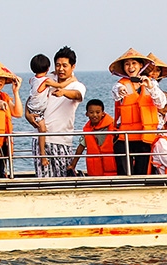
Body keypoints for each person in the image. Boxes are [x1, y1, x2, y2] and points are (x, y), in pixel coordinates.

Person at [23, 46, 86, 177]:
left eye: (64, 65)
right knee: (42, 179)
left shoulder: (77, 85)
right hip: (40, 138)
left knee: (63, 179)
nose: (60, 69)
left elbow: (77, 95)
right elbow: (32, 97)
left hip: (61, 140)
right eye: (58, 65)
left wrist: (64, 92)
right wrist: (27, 113)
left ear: (72, 66)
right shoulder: (47, 78)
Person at [110, 49, 167, 176]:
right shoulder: (119, 84)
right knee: (125, 173)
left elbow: (161, 103)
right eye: (127, 64)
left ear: (141, 65)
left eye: (134, 63)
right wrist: (120, 90)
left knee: (142, 172)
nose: (130, 67)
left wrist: (150, 87)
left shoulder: (151, 83)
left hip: (144, 136)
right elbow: (115, 93)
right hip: (125, 136)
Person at [68, 99, 118, 177]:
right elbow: (81, 147)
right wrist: (73, 165)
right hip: (95, 172)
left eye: (98, 112)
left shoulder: (113, 127)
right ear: (87, 114)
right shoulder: (87, 130)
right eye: (91, 112)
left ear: (103, 113)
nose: (95, 115)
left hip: (113, 171)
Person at [26, 53, 52, 172]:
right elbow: (59, 85)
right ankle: (42, 154)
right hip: (38, 111)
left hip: (31, 107)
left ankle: (42, 154)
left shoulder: (33, 80)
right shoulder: (46, 81)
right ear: (48, 68)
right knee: (42, 130)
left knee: (41, 130)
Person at [146, 53, 167, 124]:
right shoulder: (141, 83)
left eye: (157, 70)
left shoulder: (154, 85)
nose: (154, 73)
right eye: (151, 70)